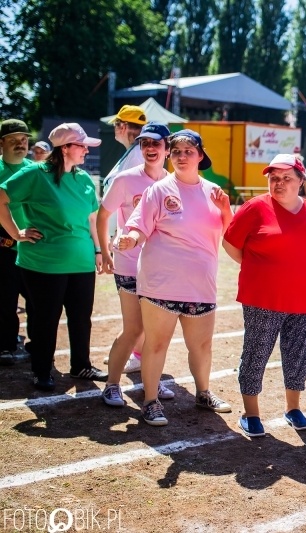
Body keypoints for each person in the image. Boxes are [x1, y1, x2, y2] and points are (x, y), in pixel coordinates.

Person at [116, 129, 233, 426]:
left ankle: (203, 393)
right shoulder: (158, 190)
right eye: (176, 151)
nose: (182, 157)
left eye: (188, 151)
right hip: (160, 283)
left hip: (200, 285)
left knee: (202, 346)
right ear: (169, 154)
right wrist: (129, 240)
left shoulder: (213, 192)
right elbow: (138, 226)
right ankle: (151, 401)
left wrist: (226, 210)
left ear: (200, 156)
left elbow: (228, 235)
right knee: (156, 344)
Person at [222, 154, 306, 438]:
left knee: (299, 357)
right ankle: (251, 413)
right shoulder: (254, 208)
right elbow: (231, 244)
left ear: (300, 181)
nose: (278, 183)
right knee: (256, 354)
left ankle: (292, 408)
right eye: (273, 178)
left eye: (286, 178)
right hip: (263, 298)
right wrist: (257, 266)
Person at [0, 123, 109, 390]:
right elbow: (1, 196)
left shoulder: (83, 178)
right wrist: (15, 232)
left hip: (81, 261)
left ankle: (81, 365)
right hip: (44, 263)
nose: (86, 150)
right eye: (82, 145)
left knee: (81, 316)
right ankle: (41, 370)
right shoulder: (35, 173)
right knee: (46, 318)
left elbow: (91, 218)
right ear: (65, 148)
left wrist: (97, 250)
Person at [96, 122, 175, 407]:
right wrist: (105, 252)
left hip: (160, 270)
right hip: (129, 266)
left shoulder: (172, 181)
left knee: (154, 331)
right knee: (134, 329)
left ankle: (149, 384)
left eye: (156, 144)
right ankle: (111, 385)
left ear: (168, 148)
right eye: (144, 144)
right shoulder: (126, 179)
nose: (150, 149)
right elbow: (103, 216)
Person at [101, 105, 147, 373]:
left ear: (123, 127)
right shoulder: (132, 155)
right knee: (135, 310)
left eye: (117, 124)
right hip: (128, 243)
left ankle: (138, 355)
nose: (115, 129)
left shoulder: (137, 157)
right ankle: (135, 351)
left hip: (135, 246)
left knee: (140, 310)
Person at [0, 119, 34, 366]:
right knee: (5, 300)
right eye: (14, 140)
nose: (20, 145)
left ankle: (37, 343)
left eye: (24, 140)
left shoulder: (35, 169)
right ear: (1, 143)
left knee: (37, 301)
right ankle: (5, 344)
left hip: (33, 248)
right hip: (4, 247)